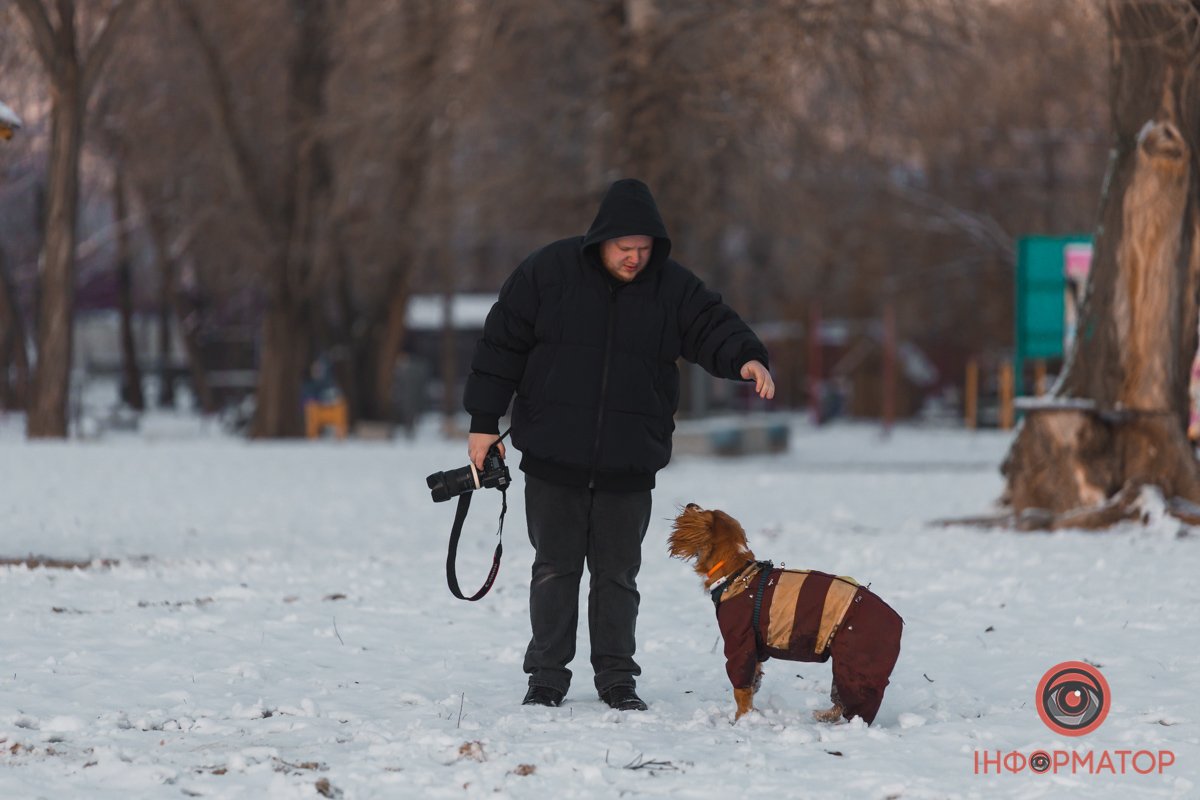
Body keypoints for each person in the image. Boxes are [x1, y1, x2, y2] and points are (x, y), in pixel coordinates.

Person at [464, 178, 774, 711]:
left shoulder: (671, 288)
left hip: (629, 459)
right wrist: (483, 422)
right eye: (624, 248)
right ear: (599, 241)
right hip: (553, 455)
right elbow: (501, 343)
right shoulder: (548, 273)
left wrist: (745, 356)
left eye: (644, 250)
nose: (634, 259)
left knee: (617, 575)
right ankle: (546, 677)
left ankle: (616, 678)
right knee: (554, 568)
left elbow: (711, 325)